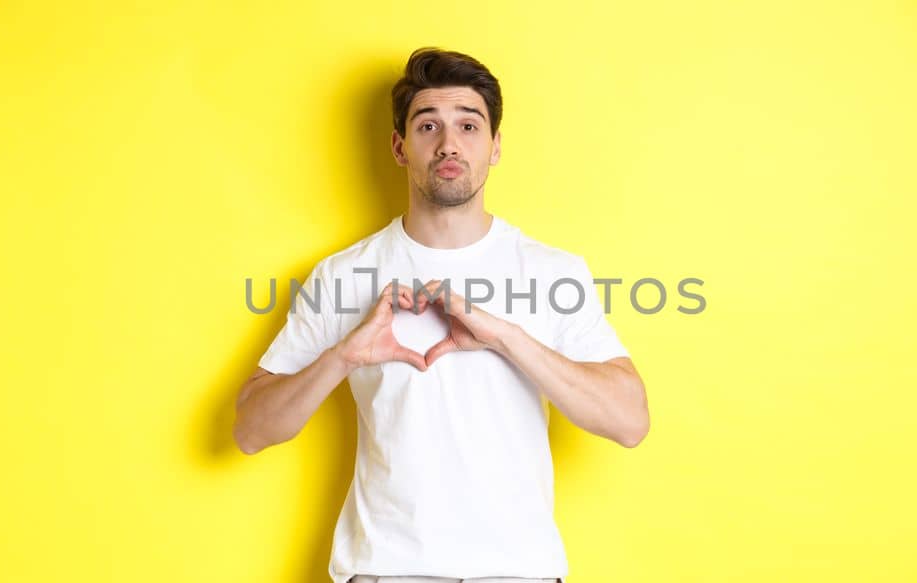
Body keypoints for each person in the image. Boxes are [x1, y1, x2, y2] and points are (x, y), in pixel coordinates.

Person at [233, 47, 649, 583]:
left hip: (518, 572)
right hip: (385, 571)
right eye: (428, 125)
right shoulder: (342, 275)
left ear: (495, 146)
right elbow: (250, 430)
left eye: (469, 126)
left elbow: (629, 421)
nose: (449, 143)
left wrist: (506, 337)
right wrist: (344, 356)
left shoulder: (553, 272)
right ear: (399, 146)